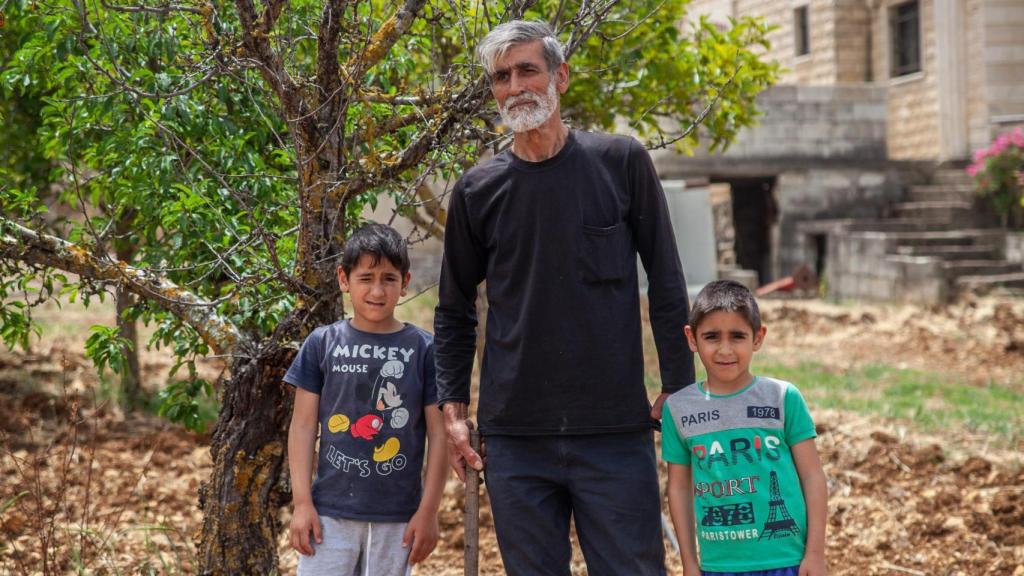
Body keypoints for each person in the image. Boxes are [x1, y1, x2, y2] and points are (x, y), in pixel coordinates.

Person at [433, 20, 694, 576]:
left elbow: (668, 282)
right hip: (514, 438)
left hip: (615, 431)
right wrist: (453, 412)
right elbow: (454, 312)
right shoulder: (478, 191)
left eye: (528, 69)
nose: (515, 86)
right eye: (501, 76)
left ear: (561, 77)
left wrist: (678, 385)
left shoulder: (620, 163)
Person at [285, 223, 447, 575]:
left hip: (398, 518)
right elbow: (301, 426)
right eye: (366, 277)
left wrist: (429, 511)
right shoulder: (322, 344)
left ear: (405, 283)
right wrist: (301, 504)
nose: (377, 290)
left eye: (389, 278)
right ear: (344, 279)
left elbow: (440, 436)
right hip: (328, 514)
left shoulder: (423, 349)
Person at [662, 280, 827, 576]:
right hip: (718, 566)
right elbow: (679, 487)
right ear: (692, 338)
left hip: (785, 561)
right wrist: (689, 563)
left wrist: (815, 554)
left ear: (758, 337)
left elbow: (813, 476)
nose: (725, 349)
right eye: (712, 336)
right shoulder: (677, 409)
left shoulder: (783, 398)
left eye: (737, 336)